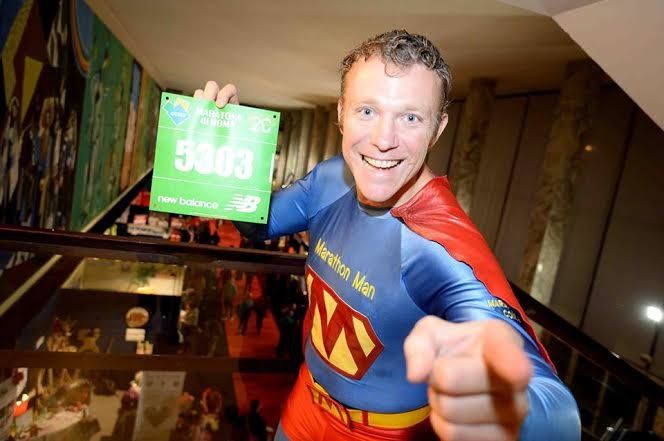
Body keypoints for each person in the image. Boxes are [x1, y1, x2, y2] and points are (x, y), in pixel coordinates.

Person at [195, 29, 580, 441]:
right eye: (367, 111)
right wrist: (229, 152)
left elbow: (558, 417)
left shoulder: (441, 248)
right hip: (306, 401)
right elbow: (258, 224)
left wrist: (505, 405)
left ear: (437, 129)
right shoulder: (331, 179)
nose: (383, 140)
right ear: (341, 112)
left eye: (410, 117)